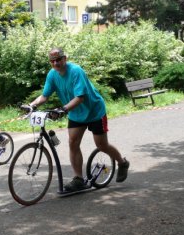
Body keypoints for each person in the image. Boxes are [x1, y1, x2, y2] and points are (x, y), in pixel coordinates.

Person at [29, 48, 130, 192]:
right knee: (73, 143)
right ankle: (78, 179)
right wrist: (31, 106)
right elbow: (44, 96)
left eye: (58, 59)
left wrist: (62, 109)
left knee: (102, 145)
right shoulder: (52, 75)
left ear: (65, 58)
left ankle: (122, 162)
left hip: (94, 111)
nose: (56, 63)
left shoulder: (76, 71)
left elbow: (80, 98)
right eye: (52, 61)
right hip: (76, 114)